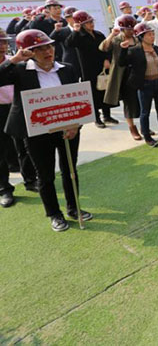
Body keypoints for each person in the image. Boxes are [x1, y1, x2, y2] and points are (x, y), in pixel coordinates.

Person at [0, 30, 91, 231]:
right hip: (37, 132)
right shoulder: (20, 70)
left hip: (68, 129)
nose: (47, 52)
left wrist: (76, 125)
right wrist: (14, 60)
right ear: (29, 52)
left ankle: (74, 208)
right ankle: (54, 214)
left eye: (49, 46)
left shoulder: (67, 69)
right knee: (45, 175)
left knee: (70, 170)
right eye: (39, 49)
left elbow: (77, 98)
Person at [119, 23, 158, 147]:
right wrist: (123, 50)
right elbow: (121, 63)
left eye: (153, 34)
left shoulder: (157, 49)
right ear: (141, 37)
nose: (152, 37)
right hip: (144, 85)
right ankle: (147, 137)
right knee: (145, 112)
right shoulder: (135, 50)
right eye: (149, 35)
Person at [66, 11, 114, 127]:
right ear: (81, 25)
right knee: (93, 94)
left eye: (91, 21)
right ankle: (97, 118)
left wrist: (107, 59)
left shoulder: (98, 34)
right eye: (87, 23)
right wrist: (75, 31)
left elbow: (107, 47)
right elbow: (69, 44)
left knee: (105, 90)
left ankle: (107, 115)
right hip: (88, 69)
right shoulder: (79, 36)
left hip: (102, 67)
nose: (91, 24)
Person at [100, 15, 142, 140]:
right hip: (123, 75)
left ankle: (144, 125)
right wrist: (112, 34)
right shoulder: (117, 39)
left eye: (132, 28)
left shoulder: (137, 39)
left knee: (141, 100)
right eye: (128, 29)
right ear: (122, 29)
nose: (131, 31)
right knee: (129, 102)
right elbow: (103, 47)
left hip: (137, 73)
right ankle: (132, 127)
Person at [0, 29, 20, 208]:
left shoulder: (13, 61)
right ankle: (4, 188)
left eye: (4, 42)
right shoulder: (11, 62)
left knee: (22, 145)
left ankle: (30, 179)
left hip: (15, 107)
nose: (2, 46)